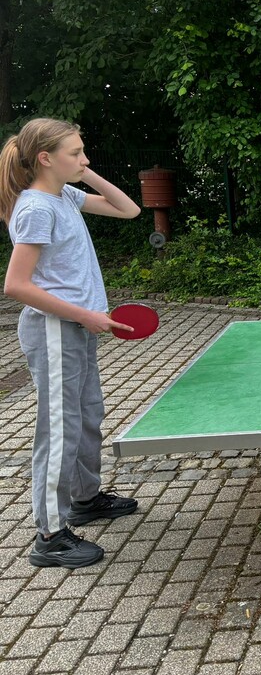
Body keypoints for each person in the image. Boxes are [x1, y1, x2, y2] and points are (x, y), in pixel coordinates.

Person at [1, 118, 143, 568]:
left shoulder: (64, 195)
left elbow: (129, 210)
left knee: (87, 417)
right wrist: (85, 314)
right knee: (59, 430)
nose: (85, 158)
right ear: (45, 158)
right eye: (76, 153)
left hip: (77, 330)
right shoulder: (36, 208)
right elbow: (16, 285)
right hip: (55, 330)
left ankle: (85, 499)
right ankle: (50, 536)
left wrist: (84, 173)